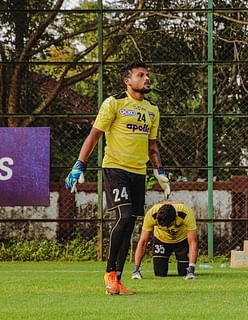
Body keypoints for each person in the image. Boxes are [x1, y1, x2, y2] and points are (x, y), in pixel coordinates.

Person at [64, 60, 171, 295]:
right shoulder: (114, 103)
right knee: (123, 217)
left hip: (138, 172)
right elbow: (94, 136)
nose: (147, 79)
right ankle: (110, 273)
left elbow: (152, 146)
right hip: (115, 169)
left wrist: (159, 171)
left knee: (131, 223)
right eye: (141, 75)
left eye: (147, 75)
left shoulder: (152, 109)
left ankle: (119, 281)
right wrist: (79, 165)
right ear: (128, 80)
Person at [132, 201, 198, 279]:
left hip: (182, 240)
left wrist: (191, 269)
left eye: (169, 225)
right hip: (161, 239)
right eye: (163, 225)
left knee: (184, 272)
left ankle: (188, 268)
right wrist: (136, 270)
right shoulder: (151, 215)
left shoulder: (186, 213)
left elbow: (193, 242)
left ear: (176, 216)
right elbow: (143, 242)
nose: (167, 228)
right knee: (159, 273)